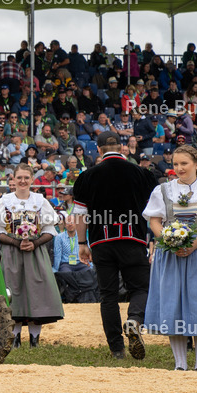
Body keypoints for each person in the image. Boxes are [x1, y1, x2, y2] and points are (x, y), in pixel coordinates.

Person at [71, 131, 156, 360]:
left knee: (108, 296)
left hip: (102, 242)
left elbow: (80, 214)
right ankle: (134, 319)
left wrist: (82, 243)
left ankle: (117, 349)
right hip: (133, 240)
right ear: (122, 147)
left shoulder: (86, 177)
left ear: (98, 150)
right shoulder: (143, 174)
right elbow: (155, 211)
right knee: (141, 288)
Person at [142, 144, 197, 372]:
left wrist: (193, 244)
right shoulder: (163, 190)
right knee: (172, 304)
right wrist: (169, 240)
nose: (179, 168)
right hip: (170, 254)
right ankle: (180, 364)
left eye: (184, 163)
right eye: (176, 164)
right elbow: (154, 220)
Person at [0, 164, 64, 349]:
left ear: (32, 180)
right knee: (13, 291)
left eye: (26, 178)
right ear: (13, 179)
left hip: (35, 253)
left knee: (37, 292)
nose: (22, 181)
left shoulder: (40, 200)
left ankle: (34, 339)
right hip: (11, 253)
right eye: (19, 178)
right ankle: (14, 338)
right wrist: (17, 243)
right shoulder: (5, 201)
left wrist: (34, 243)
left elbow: (50, 230)